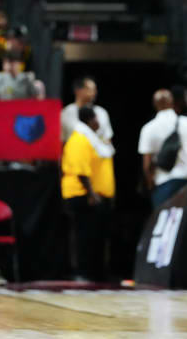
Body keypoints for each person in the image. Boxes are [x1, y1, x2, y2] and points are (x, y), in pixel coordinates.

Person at [61, 106, 115, 281]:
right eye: (96, 118)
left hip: (94, 196)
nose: (99, 122)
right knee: (84, 237)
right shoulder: (79, 139)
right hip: (81, 195)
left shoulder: (93, 139)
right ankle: (82, 273)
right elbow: (81, 171)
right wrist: (91, 194)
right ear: (90, 120)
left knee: (95, 236)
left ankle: (95, 272)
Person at [138, 89, 187, 207]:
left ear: (154, 104)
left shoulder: (148, 128)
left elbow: (146, 165)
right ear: (172, 102)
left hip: (164, 182)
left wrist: (151, 185)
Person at [61, 77, 113, 143]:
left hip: (96, 152)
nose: (94, 93)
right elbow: (62, 139)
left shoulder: (101, 112)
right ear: (78, 91)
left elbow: (108, 139)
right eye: (90, 89)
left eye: (95, 90)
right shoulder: (67, 112)